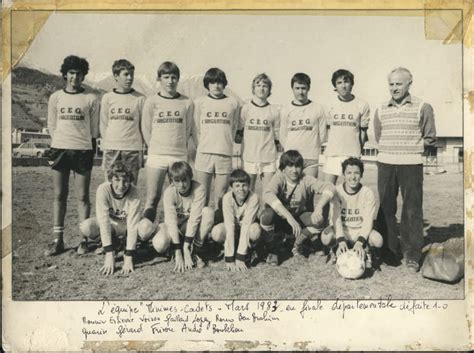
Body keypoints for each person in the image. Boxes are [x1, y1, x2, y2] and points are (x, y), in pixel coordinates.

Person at [374, 67, 437, 273]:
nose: (394, 88)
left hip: (411, 164)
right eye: (391, 84)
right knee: (386, 207)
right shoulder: (381, 109)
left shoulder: (423, 107)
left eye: (399, 84)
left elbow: (430, 138)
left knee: (411, 209)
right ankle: (388, 251)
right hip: (386, 163)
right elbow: (379, 135)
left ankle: (412, 254)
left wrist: (411, 149)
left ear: (409, 83)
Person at [45, 55, 100, 256]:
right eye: (71, 73)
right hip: (60, 149)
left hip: (83, 150)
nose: (74, 77)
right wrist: (60, 141)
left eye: (78, 73)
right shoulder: (56, 97)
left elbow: (94, 130)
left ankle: (83, 240)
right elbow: (52, 125)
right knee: (59, 195)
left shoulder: (91, 98)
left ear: (83, 75)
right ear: (65, 74)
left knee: (83, 196)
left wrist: (83, 143)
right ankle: (57, 240)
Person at [141, 61, 194, 224]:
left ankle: (176, 235)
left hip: (178, 156)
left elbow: (188, 129)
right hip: (157, 155)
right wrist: (155, 147)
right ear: (159, 79)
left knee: (180, 198)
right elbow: (146, 129)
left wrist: (178, 146)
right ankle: (145, 234)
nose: (170, 81)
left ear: (178, 80)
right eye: (166, 77)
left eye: (173, 77)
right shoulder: (151, 101)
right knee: (153, 197)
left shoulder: (187, 102)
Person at [260, 150, 335, 265]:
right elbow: (267, 194)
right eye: (290, 166)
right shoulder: (279, 177)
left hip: (298, 218)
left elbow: (329, 187)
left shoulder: (305, 179)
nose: (294, 170)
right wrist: (289, 217)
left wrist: (319, 208)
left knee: (318, 220)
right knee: (266, 215)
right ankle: (271, 250)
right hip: (280, 219)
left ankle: (297, 244)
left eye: (297, 166)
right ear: (283, 168)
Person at [79, 162, 146, 275]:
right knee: (86, 226)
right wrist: (109, 254)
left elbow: (133, 224)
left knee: (146, 228)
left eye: (125, 180)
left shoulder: (134, 192)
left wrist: (129, 257)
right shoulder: (103, 189)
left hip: (126, 227)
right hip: (111, 226)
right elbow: (103, 221)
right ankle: (113, 245)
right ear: (110, 179)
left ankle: (126, 245)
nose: (121, 185)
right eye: (117, 180)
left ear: (130, 180)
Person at [152, 161, 215, 271]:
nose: (182, 184)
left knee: (208, 212)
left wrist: (186, 247)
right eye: (177, 181)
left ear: (190, 177)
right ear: (171, 181)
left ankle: (195, 249)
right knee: (160, 244)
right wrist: (178, 251)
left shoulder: (199, 189)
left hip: (188, 226)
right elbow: (171, 222)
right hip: (174, 226)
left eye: (184, 180)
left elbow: (194, 218)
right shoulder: (169, 192)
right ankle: (173, 248)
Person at [321, 157, 383, 268]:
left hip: (359, 230)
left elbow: (368, 221)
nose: (353, 177)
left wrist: (360, 241)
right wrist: (340, 240)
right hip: (342, 230)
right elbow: (336, 219)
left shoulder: (367, 192)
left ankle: (367, 250)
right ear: (343, 175)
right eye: (349, 173)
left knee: (378, 240)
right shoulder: (337, 191)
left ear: (361, 175)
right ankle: (334, 249)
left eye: (356, 173)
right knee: (326, 238)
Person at [193, 67, 240, 208]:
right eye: (212, 82)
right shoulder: (199, 102)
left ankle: (218, 226)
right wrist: (201, 147)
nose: (216, 86)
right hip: (204, 153)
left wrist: (225, 143)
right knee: (202, 194)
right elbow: (196, 129)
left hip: (224, 154)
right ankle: (201, 227)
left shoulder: (233, 103)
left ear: (224, 84)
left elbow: (234, 127)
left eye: (219, 82)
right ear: (207, 84)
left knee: (221, 195)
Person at [100, 59, 146, 185]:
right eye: (126, 74)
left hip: (132, 149)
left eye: (132, 74)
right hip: (111, 148)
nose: (129, 78)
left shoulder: (140, 98)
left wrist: (141, 148)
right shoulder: (107, 98)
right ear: (116, 76)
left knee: (130, 186)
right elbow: (103, 124)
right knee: (110, 185)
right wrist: (108, 142)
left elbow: (143, 125)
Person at [323, 69, 370, 184]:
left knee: (351, 188)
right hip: (333, 153)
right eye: (339, 83)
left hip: (352, 154)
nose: (343, 86)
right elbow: (328, 130)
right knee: (328, 189)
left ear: (352, 84)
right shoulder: (329, 104)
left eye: (346, 82)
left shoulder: (362, 104)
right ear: (335, 86)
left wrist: (358, 152)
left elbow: (363, 133)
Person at [236, 73, 280, 191]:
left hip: (268, 158)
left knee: (268, 193)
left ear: (269, 90)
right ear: (253, 88)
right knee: (247, 192)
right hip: (249, 157)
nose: (261, 88)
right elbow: (239, 133)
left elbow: (277, 136)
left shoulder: (274, 111)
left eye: (265, 86)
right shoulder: (245, 109)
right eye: (258, 85)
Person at [211, 169, 261, 271]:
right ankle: (226, 247)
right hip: (233, 229)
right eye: (237, 185)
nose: (241, 189)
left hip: (246, 227)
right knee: (217, 232)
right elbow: (229, 225)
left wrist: (240, 256)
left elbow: (247, 224)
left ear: (249, 185)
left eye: (244, 185)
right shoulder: (227, 198)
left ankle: (249, 249)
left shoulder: (254, 197)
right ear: (231, 187)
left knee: (255, 230)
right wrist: (229, 257)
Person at [279, 73, 327, 178]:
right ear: (292, 88)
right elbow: (282, 136)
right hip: (291, 157)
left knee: (309, 190)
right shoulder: (285, 109)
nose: (300, 92)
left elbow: (323, 136)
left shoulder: (318, 108)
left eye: (303, 88)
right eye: (297, 88)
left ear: (308, 88)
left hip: (311, 157)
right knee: (290, 191)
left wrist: (311, 147)